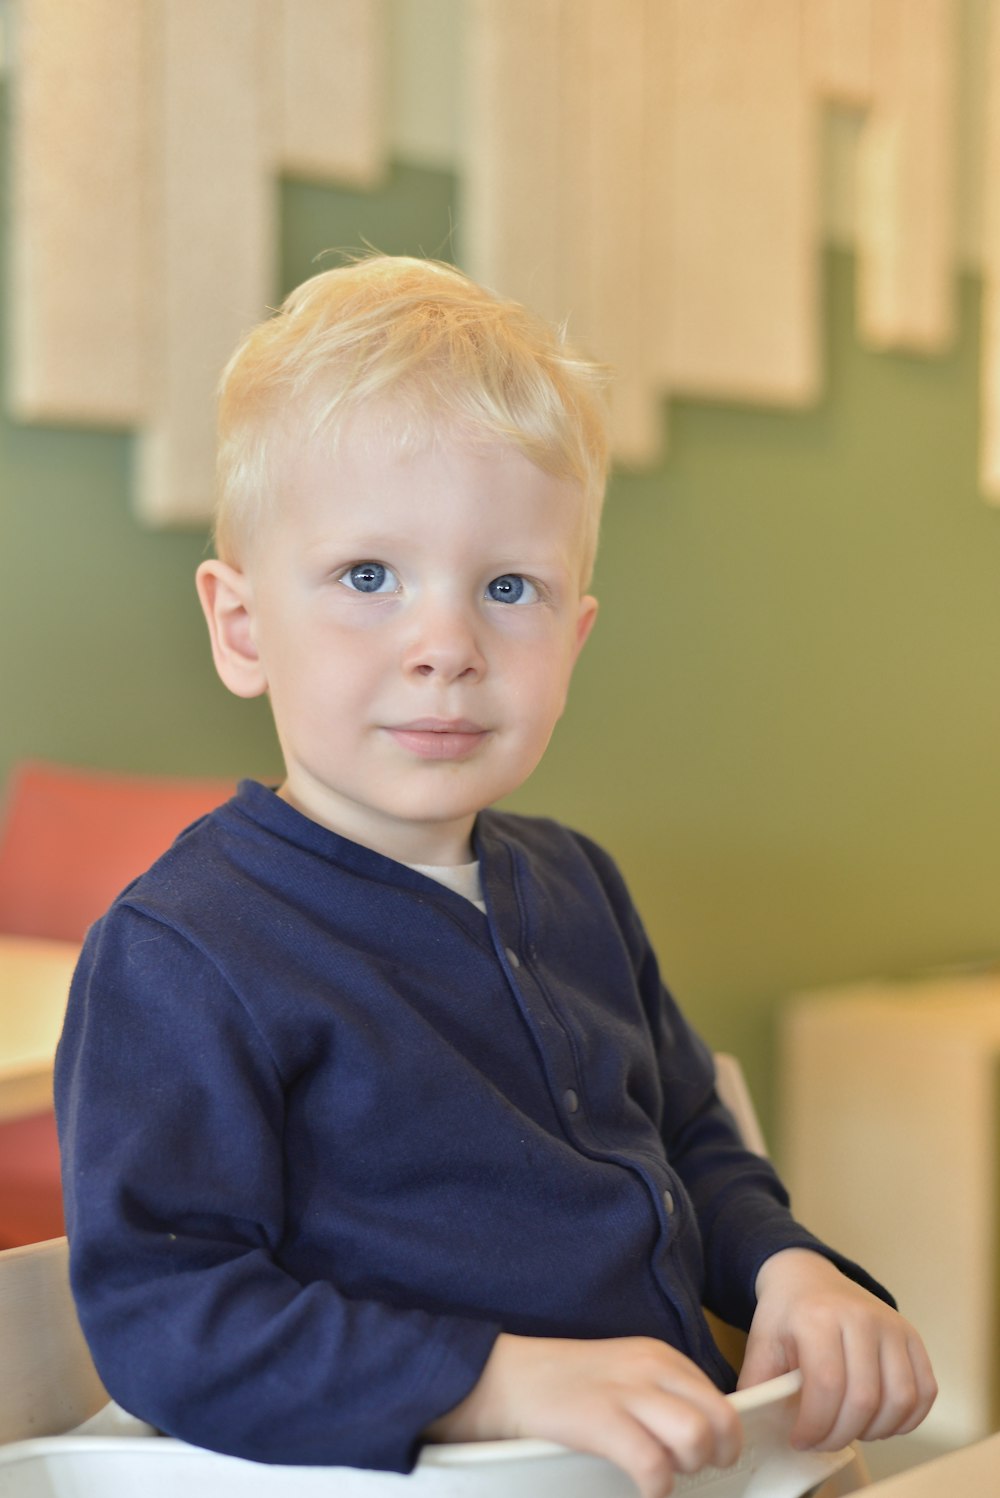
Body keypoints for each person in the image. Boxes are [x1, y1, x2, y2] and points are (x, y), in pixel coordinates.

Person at [55, 256, 936, 1498]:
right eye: (369, 577)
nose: (446, 648)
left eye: (507, 587)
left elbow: (689, 1141)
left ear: (572, 634)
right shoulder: (181, 952)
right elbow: (167, 1316)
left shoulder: (577, 884)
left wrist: (787, 1266)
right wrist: (490, 1380)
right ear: (241, 626)